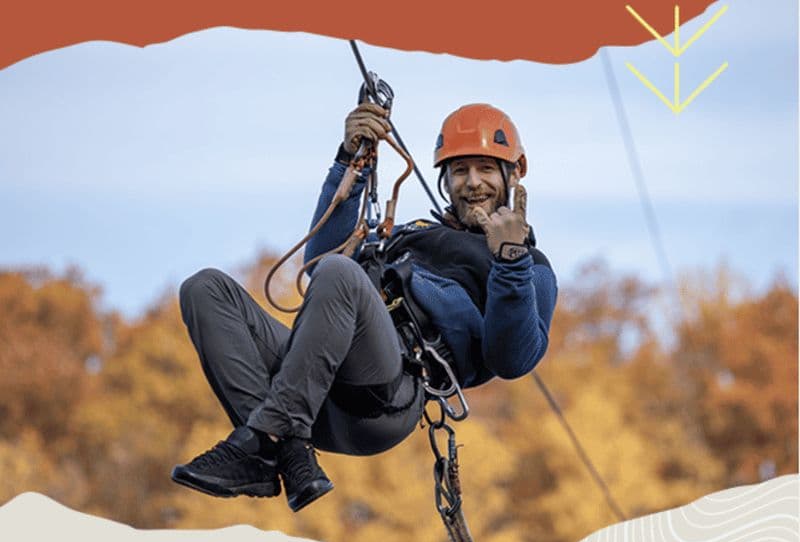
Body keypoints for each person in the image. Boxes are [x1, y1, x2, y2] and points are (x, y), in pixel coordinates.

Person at [171, 102, 558, 513]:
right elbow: (319, 264)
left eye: (485, 168)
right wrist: (348, 164)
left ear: (514, 174)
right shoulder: (411, 236)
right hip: (311, 382)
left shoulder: (527, 267)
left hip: (383, 393)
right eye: (460, 170)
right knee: (205, 289)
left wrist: (510, 259)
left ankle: (263, 437)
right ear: (445, 179)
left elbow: (513, 359)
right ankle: (275, 455)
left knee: (341, 274)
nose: (472, 183)